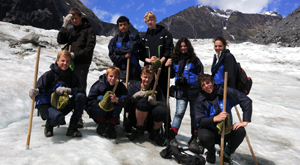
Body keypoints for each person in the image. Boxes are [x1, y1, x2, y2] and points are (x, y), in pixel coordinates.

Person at [195, 74, 252, 164]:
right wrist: (214, 119)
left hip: (225, 130)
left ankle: (226, 153)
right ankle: (211, 151)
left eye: (208, 82)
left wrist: (245, 121)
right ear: (201, 88)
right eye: (203, 85)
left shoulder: (224, 91)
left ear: (213, 82)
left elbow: (246, 100)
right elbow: (200, 121)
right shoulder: (200, 100)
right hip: (210, 131)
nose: (206, 86)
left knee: (240, 131)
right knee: (203, 136)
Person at [28, 50, 86, 137]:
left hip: (60, 104)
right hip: (46, 106)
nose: (65, 63)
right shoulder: (49, 75)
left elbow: (81, 90)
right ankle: (49, 125)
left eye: (67, 61)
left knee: (80, 96)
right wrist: (34, 93)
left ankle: (72, 128)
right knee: (59, 118)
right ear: (57, 61)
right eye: (63, 61)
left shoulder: (71, 75)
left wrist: (68, 90)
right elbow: (38, 90)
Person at [57, 7, 96, 128]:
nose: (74, 20)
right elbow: (60, 40)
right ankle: (60, 113)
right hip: (69, 64)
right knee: (65, 86)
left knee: (79, 88)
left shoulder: (88, 30)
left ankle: (78, 117)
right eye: (71, 18)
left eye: (75, 18)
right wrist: (64, 25)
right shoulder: (71, 31)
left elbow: (89, 49)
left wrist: (75, 55)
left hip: (82, 64)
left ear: (80, 17)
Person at [165, 37, 204, 153]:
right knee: (179, 112)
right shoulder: (175, 60)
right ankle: (172, 136)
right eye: (181, 46)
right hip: (181, 90)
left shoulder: (195, 60)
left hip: (194, 90)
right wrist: (168, 65)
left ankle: (194, 137)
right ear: (178, 47)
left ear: (188, 47)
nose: (183, 48)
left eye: (185, 46)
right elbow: (171, 75)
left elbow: (200, 73)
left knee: (194, 115)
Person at [126, 65, 168, 146]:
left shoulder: (156, 88)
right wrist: (133, 98)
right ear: (141, 76)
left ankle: (155, 132)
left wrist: (156, 103)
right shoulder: (134, 87)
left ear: (153, 78)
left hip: (151, 120)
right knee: (143, 102)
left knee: (161, 109)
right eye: (145, 77)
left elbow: (163, 103)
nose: (147, 80)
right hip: (135, 118)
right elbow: (126, 105)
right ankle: (139, 129)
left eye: (149, 78)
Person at [86, 67, 128, 139]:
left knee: (119, 101)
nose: (113, 79)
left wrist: (117, 100)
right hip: (98, 112)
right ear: (106, 76)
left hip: (112, 112)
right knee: (101, 98)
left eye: (115, 77)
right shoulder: (99, 85)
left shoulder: (120, 87)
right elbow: (89, 101)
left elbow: (126, 100)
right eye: (111, 76)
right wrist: (101, 103)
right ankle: (101, 124)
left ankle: (111, 126)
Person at [140, 11, 174, 98]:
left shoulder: (165, 34)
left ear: (155, 20)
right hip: (149, 70)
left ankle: (165, 111)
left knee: (162, 94)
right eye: (148, 21)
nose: (150, 22)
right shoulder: (144, 37)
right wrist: (149, 60)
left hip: (162, 69)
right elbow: (140, 54)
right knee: (149, 94)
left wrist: (160, 61)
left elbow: (169, 49)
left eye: (151, 20)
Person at [108, 16, 141, 85]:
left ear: (128, 25)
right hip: (118, 72)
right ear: (118, 27)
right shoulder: (114, 40)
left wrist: (117, 51)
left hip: (133, 72)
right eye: (121, 25)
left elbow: (131, 47)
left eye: (125, 24)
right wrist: (124, 56)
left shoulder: (134, 36)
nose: (123, 26)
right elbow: (112, 57)